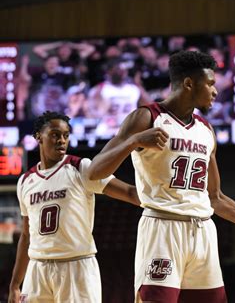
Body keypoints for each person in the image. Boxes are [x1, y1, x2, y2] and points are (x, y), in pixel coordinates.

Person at [87, 50, 235, 302]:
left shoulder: (205, 130)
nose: (215, 90)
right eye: (210, 83)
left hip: (203, 233)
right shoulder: (147, 117)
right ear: (189, 83)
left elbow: (217, 198)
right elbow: (94, 172)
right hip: (162, 228)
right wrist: (134, 141)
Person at [8, 111, 140, 303]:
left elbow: (129, 192)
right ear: (38, 137)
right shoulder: (25, 181)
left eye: (66, 135)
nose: (62, 140)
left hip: (76, 265)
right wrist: (14, 284)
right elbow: (26, 236)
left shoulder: (80, 168)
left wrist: (165, 198)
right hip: (37, 269)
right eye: (55, 134)